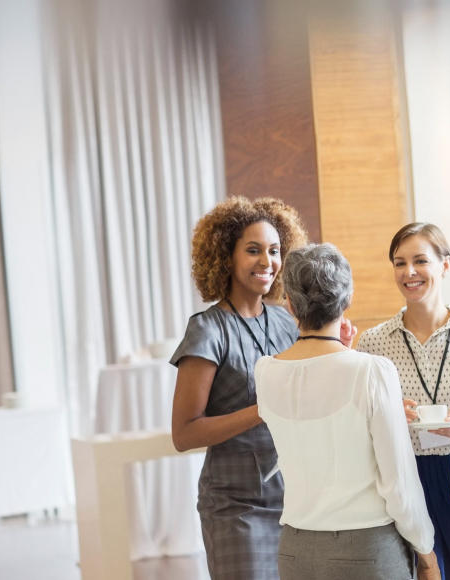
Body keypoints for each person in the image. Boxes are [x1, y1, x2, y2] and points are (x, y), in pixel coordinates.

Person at [254, 243, 440, 580]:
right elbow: (399, 483)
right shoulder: (372, 371)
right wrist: (426, 554)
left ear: (291, 306)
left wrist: (342, 354)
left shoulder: (265, 372)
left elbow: (314, 406)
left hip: (295, 551)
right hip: (366, 550)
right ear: (348, 300)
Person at [170, 197, 307, 580]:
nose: (267, 261)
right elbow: (184, 433)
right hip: (236, 508)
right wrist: (262, 409)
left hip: (295, 501)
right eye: (253, 250)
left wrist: (339, 348)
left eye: (275, 251)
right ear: (225, 257)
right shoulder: (207, 330)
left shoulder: (286, 322)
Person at [357, 223, 450, 579]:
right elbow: (358, 419)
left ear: (445, 265)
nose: (409, 272)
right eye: (399, 263)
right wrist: (389, 414)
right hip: (404, 474)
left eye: (420, 260)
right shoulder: (373, 343)